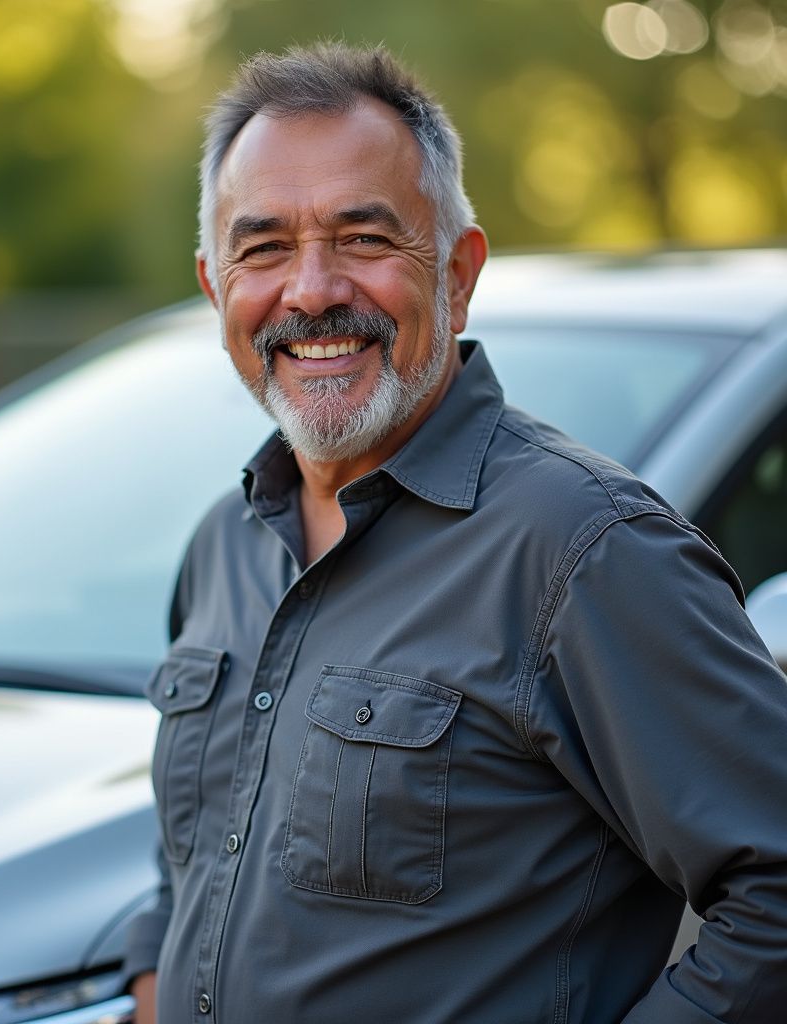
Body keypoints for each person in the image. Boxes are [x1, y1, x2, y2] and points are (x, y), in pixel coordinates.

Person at [123, 43, 787, 1023]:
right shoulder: (224, 544)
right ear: (215, 286)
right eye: (263, 248)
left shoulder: (585, 550)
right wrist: (154, 978)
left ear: (459, 271)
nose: (309, 290)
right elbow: (197, 853)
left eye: (362, 237)